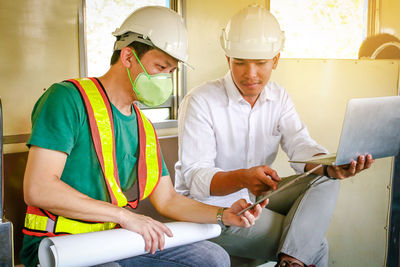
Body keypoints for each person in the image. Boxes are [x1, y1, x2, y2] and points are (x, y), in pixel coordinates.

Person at [20, 6, 267, 267]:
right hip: (57, 245)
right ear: (127, 57)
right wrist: (125, 217)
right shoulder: (66, 99)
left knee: (213, 258)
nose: (165, 79)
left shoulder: (144, 127)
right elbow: (39, 188)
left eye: (170, 71)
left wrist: (223, 215)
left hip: (113, 241)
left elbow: (167, 199)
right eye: (160, 66)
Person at [175, 5, 374, 267]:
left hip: (255, 199)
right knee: (315, 246)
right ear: (228, 60)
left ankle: (291, 261)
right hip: (213, 211)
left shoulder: (278, 97)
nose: (251, 74)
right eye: (240, 63)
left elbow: (300, 144)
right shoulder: (201, 101)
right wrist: (241, 177)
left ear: (276, 60)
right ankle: (294, 260)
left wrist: (331, 165)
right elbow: (196, 178)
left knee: (325, 179)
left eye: (260, 63)